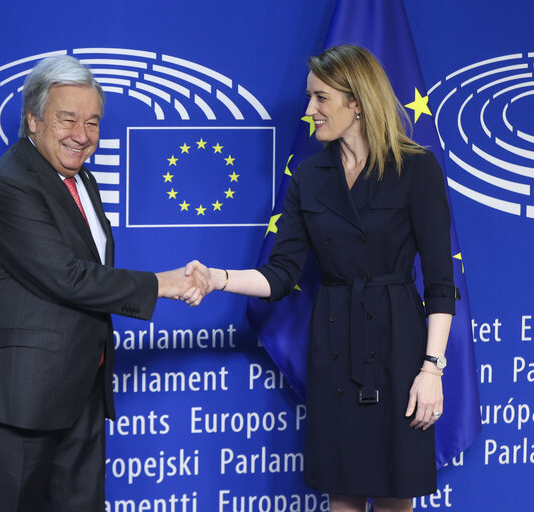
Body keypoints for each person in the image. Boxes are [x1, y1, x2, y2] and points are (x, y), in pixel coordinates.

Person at [188, 45, 456, 512]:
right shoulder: (309, 178)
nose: (309, 110)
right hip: (335, 344)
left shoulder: (417, 168)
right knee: (343, 493)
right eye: (310, 98)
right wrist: (216, 278)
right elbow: (280, 275)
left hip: (400, 347)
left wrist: (431, 369)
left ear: (357, 102)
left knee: (397, 494)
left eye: (320, 98)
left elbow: (439, 280)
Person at [0, 55, 207, 511]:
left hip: (80, 390)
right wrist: (160, 284)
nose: (83, 135)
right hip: (15, 401)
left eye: (93, 122)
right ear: (33, 119)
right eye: (68, 119)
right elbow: (64, 275)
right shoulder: (9, 185)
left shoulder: (79, 178)